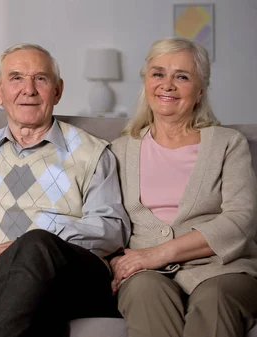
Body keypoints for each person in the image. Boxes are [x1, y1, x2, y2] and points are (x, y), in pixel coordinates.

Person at [0, 43, 131, 337]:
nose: (28, 89)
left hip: (74, 277)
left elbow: (111, 227)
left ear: (58, 90)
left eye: (40, 78)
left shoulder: (92, 153)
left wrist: (19, 247)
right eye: (16, 78)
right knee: (31, 300)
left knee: (35, 243)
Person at [110, 37, 257, 337]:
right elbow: (106, 220)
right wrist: (113, 259)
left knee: (215, 300)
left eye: (182, 76)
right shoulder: (117, 151)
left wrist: (159, 253)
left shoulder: (229, 144)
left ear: (201, 88)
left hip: (223, 269)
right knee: (144, 292)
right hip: (145, 274)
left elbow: (241, 221)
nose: (167, 85)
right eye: (158, 73)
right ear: (146, 82)